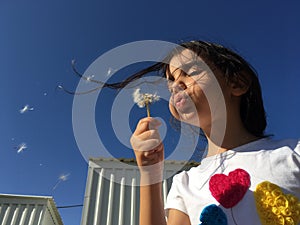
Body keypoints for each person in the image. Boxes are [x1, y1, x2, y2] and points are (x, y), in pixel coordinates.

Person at [106, 40, 300, 225]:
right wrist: (150, 173)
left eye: (190, 72)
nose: (175, 86)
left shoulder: (293, 153)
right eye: (171, 83)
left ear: (237, 83)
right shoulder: (185, 183)